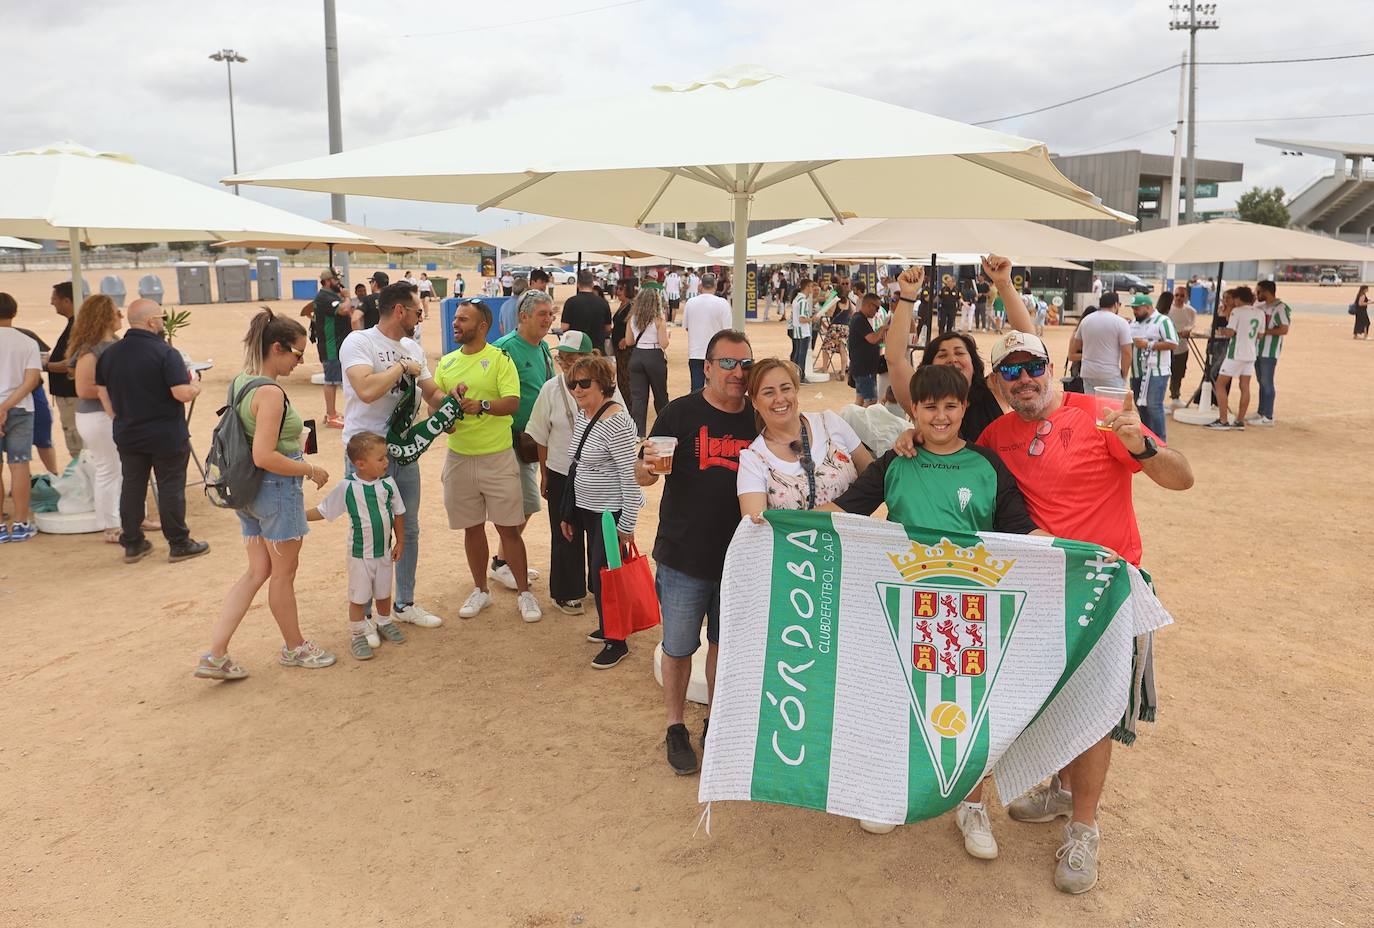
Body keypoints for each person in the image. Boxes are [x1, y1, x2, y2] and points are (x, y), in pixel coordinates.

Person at [964, 329, 1193, 894]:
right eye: (1010, 373)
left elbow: (1181, 477)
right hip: (1038, 589)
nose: (1025, 381)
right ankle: (1061, 791)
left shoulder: (1102, 416)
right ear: (998, 383)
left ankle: (1085, 829)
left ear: (1051, 365)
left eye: (1032, 367)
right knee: (1043, 699)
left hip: (1106, 589)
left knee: (1094, 711)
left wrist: (1143, 443)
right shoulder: (996, 436)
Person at [830, 363, 1041, 854]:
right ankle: (890, 795)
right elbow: (845, 511)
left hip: (973, 609)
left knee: (970, 710)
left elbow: (1022, 531)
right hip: (908, 606)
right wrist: (776, 524)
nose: (941, 416)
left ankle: (972, 807)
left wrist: (1072, 555)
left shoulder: (986, 465)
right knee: (899, 700)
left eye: (951, 406)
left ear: (965, 408)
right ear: (913, 411)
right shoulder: (895, 463)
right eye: (930, 407)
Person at [637, 330, 756, 776]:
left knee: (724, 647)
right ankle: (674, 727)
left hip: (742, 561)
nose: (737, 373)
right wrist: (646, 464)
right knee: (679, 645)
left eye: (745, 364)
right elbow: (645, 477)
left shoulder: (758, 418)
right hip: (684, 556)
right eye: (727, 363)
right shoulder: (679, 413)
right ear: (706, 367)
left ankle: (714, 723)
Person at [195, 309, 334, 679]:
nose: (300, 362)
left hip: (248, 490)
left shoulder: (243, 381)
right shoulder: (270, 393)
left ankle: (216, 653)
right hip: (275, 489)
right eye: (297, 354)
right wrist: (310, 469)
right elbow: (266, 455)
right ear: (277, 347)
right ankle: (295, 647)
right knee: (283, 573)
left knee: (257, 571)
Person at [339, 281, 447, 628]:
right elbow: (366, 390)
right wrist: (401, 369)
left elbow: (432, 394)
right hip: (365, 456)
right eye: (418, 311)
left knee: (408, 529)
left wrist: (454, 404)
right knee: (369, 531)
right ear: (400, 310)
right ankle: (367, 614)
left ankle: (404, 603)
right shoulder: (359, 342)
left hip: (403, 452)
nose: (420, 317)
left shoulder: (413, 348)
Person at [433, 299, 541, 622]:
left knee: (509, 529)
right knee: (472, 528)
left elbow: (512, 401)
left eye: (463, 319)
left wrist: (481, 405)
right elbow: (433, 405)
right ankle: (481, 590)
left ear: (482, 327)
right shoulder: (447, 363)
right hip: (459, 457)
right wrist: (445, 417)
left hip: (497, 457)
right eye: (456, 318)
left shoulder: (498, 359)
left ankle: (525, 593)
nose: (456, 324)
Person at [95, 299, 209, 564]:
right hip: (165, 433)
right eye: (161, 317)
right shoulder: (166, 353)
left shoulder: (110, 353)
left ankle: (133, 543)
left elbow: (102, 392)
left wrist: (118, 417)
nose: (163, 322)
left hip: (128, 432)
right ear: (150, 322)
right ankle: (179, 543)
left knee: (132, 486)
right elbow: (181, 392)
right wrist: (196, 387)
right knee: (170, 487)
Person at [527, 331, 627, 616]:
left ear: (590, 357)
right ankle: (567, 591)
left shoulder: (608, 388)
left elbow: (622, 420)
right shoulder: (551, 389)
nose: (567, 364)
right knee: (566, 532)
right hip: (561, 471)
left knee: (600, 533)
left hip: (601, 474)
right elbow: (540, 434)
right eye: (562, 358)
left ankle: (601, 585)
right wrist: (545, 474)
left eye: (573, 358)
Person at [885, 257, 1034, 441]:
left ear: (973, 363)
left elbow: (1028, 343)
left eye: (959, 352)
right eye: (942, 354)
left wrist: (1004, 283)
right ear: (929, 366)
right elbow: (895, 358)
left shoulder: (993, 390)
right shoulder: (921, 396)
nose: (952, 359)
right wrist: (907, 296)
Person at [560, 355, 643, 667]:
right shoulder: (585, 413)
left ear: (604, 385)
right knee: (599, 574)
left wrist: (628, 523)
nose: (577, 390)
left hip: (610, 512)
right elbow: (578, 465)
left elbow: (629, 474)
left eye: (584, 383)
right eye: (573, 384)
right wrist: (569, 513)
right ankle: (610, 626)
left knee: (608, 576)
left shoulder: (617, 422)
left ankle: (617, 640)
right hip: (588, 508)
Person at [308, 432, 408, 662]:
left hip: (384, 552)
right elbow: (324, 510)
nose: (387, 462)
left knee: (384, 592)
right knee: (359, 597)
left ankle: (384, 621)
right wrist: (298, 517)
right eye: (381, 459)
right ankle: (357, 634)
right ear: (360, 464)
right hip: (359, 555)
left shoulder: (388, 484)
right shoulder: (347, 487)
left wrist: (400, 541)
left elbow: (399, 513)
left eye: (386, 457)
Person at [737, 357, 873, 518]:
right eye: (768, 392)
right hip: (796, 544)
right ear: (754, 402)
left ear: (795, 391)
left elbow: (874, 479)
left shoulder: (829, 423)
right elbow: (756, 527)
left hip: (855, 540)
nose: (780, 398)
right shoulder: (753, 460)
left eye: (786, 388)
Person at [491, 289, 556, 592]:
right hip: (509, 442)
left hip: (532, 443)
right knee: (525, 504)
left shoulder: (543, 348)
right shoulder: (504, 349)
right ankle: (503, 562)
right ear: (523, 316)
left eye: (551, 313)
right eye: (543, 313)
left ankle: (504, 559)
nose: (549, 318)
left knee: (524, 504)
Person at [66, 294, 125, 542]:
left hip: (107, 416)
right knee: (110, 469)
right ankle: (111, 526)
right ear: (103, 316)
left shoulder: (113, 344)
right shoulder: (91, 350)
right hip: (99, 417)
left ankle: (128, 518)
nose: (120, 315)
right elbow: (84, 389)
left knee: (121, 469)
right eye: (115, 311)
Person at [0, 292, 42, 543]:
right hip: (21, 408)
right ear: (14, 313)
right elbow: (31, 380)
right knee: (20, 465)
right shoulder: (27, 342)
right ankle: (21, 522)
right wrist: (6, 406)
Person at [1209, 285, 1265, 431]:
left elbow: (1230, 332)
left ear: (1238, 298)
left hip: (1236, 353)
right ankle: (1240, 420)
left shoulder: (1237, 312)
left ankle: (1223, 420)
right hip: (1251, 353)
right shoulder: (1260, 313)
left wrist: (1225, 327)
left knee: (1220, 384)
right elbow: (1260, 335)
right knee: (1244, 386)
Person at [1128, 293, 1178, 441]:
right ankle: (1148, 439)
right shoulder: (1134, 323)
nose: (1134, 311)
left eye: (1137, 308)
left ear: (1148, 307)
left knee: (1154, 406)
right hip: (1137, 372)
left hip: (1156, 372)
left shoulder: (1163, 321)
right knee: (1141, 406)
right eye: (1133, 308)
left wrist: (1148, 345)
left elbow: (1173, 343)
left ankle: (1160, 441)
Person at [42, 281, 82, 457]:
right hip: (71, 396)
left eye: (54, 298)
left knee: (78, 446)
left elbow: (69, 364)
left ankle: (86, 482)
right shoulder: (75, 324)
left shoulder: (77, 327)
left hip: (72, 397)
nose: (52, 303)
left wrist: (45, 365)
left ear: (67, 301)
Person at [627, 287, 670, 436]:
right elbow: (664, 343)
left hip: (637, 355)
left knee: (638, 398)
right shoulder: (658, 319)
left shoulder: (632, 319)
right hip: (654, 355)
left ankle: (638, 433)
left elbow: (629, 341)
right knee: (660, 395)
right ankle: (665, 428)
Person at [1071, 291, 1132, 393]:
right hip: (1110, 373)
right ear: (1116, 304)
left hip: (1088, 372)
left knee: (1091, 406)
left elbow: (1075, 347)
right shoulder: (1121, 322)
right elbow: (1127, 353)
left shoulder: (1086, 320)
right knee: (1113, 406)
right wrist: (1124, 375)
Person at [312, 268, 350, 428]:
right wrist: (347, 298)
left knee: (335, 380)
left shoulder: (332, 296)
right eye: (336, 280)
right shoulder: (324, 297)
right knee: (331, 381)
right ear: (327, 281)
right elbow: (343, 310)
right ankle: (331, 415)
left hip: (337, 344)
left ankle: (332, 412)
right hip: (331, 346)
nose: (339, 283)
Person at [682, 272, 733, 392]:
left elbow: (687, 327)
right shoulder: (723, 303)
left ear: (700, 286)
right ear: (715, 285)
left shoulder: (690, 303)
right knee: (717, 388)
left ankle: (695, 411)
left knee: (696, 389)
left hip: (696, 352)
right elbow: (728, 330)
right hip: (717, 353)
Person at [1252, 280, 1291, 426]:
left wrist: (1264, 332)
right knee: (1261, 382)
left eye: (1259, 292)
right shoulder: (1259, 306)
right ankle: (1261, 411)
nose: (1257, 294)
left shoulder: (1280, 308)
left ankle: (1268, 416)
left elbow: (1284, 329)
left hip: (1269, 352)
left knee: (1267, 383)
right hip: (1256, 350)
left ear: (1267, 292)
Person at [847, 292, 888, 407]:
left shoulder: (860, 319)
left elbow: (868, 341)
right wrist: (883, 328)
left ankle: (856, 422)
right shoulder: (860, 320)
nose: (877, 311)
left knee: (860, 399)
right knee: (871, 401)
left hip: (862, 368)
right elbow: (873, 339)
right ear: (870, 305)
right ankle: (864, 423)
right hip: (864, 369)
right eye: (877, 308)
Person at [560, 270, 613, 351]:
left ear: (578, 284)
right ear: (592, 284)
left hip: (576, 348)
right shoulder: (603, 303)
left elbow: (564, 327)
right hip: (597, 349)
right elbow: (608, 328)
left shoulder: (571, 302)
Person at [1165, 284, 1197, 408]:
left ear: (1186, 297)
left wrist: (1186, 332)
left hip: (1182, 348)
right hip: (1167, 347)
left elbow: (1191, 325)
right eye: (1176, 295)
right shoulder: (1167, 310)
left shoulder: (1191, 311)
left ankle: (1175, 396)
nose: (1178, 298)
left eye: (1182, 296)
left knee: (1178, 374)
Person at [611, 277, 636, 395]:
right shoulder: (623, 304)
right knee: (621, 377)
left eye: (621, 289)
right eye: (617, 288)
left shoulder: (632, 305)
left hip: (627, 349)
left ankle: (629, 406)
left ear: (628, 290)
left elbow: (636, 326)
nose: (618, 291)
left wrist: (626, 339)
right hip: (618, 348)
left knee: (626, 378)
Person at [786, 279, 815, 377]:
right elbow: (802, 319)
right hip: (803, 331)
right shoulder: (803, 301)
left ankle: (795, 375)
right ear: (807, 287)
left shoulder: (796, 299)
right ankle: (801, 376)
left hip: (797, 330)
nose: (812, 288)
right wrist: (812, 319)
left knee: (797, 353)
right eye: (811, 286)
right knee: (801, 355)